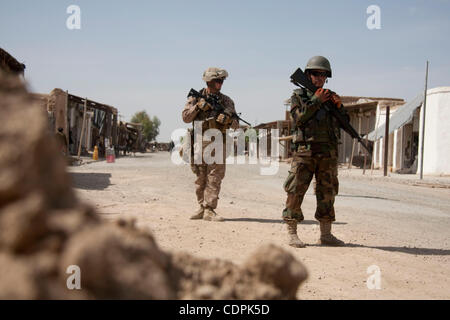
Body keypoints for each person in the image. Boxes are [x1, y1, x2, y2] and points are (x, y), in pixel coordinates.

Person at [282, 56, 348, 247]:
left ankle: (326, 234)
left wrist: (339, 107)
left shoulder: (330, 96)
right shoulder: (299, 96)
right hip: (305, 152)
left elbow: (344, 123)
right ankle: (292, 232)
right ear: (308, 75)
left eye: (323, 74)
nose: (319, 78)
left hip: (327, 152)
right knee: (296, 190)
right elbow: (299, 119)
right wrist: (315, 101)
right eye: (315, 74)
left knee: (327, 192)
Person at [182, 67, 239, 221]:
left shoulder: (227, 101)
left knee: (214, 178)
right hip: (199, 143)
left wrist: (227, 120)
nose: (220, 83)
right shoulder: (195, 98)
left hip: (218, 143)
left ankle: (209, 209)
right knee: (200, 177)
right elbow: (186, 118)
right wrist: (198, 107)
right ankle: (200, 206)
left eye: (222, 81)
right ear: (208, 81)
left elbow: (236, 124)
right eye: (217, 81)